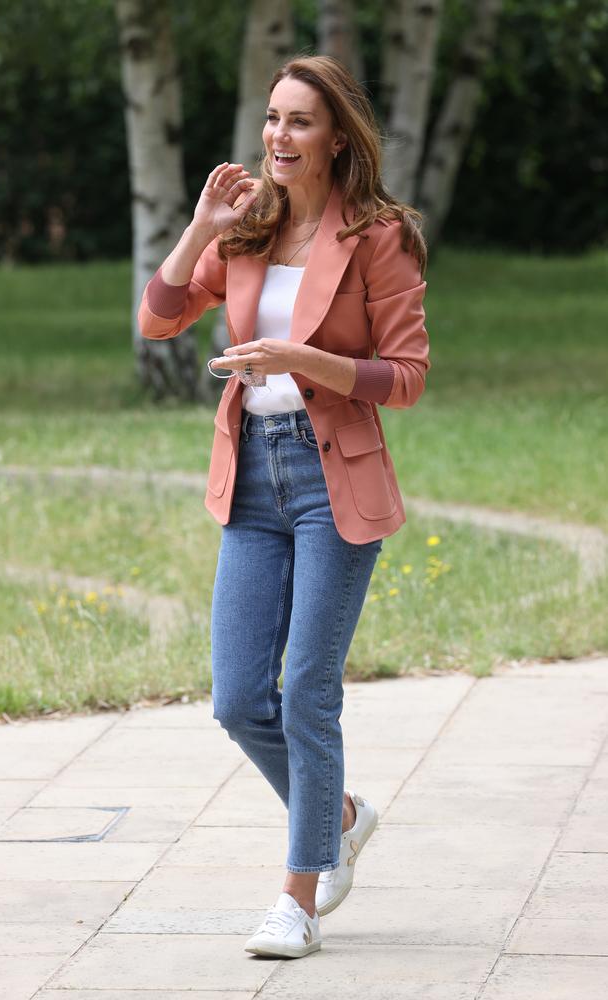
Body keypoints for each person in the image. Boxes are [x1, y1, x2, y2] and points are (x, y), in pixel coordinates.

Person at [138, 54, 430, 960]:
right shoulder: (247, 229)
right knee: (237, 699)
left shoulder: (380, 236)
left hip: (332, 477)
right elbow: (157, 320)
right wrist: (198, 229)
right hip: (253, 480)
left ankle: (298, 898)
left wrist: (301, 362)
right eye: (271, 119)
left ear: (337, 136)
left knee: (306, 689)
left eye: (299, 121)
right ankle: (337, 813)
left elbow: (407, 377)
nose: (277, 136)